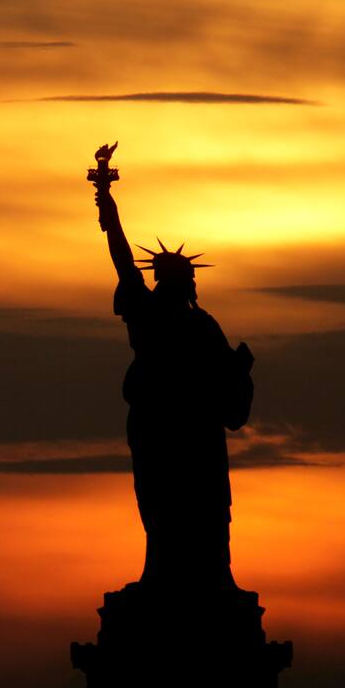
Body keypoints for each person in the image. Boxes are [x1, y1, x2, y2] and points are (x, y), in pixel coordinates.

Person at [94, 182, 254, 593]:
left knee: (191, 503)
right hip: (166, 428)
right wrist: (108, 207)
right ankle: (169, 576)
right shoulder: (177, 319)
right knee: (164, 501)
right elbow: (122, 258)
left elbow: (227, 390)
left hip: (182, 430)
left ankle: (199, 578)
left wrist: (239, 369)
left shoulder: (194, 323)